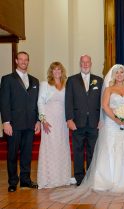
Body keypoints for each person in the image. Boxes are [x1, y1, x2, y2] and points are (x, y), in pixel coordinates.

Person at [50, 64, 124, 202]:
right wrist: (116, 119)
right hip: (112, 124)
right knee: (111, 150)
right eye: (117, 73)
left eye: (122, 72)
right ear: (113, 75)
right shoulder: (108, 89)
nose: (119, 75)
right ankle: (109, 179)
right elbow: (105, 106)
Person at [0, 51, 40, 192]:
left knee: (26, 153)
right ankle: (12, 181)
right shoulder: (7, 79)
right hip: (14, 125)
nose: (24, 62)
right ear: (16, 61)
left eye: (26, 59)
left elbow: (37, 103)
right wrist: (6, 122)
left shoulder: (35, 81)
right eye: (21, 59)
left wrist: (38, 121)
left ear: (28, 61)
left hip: (30, 124)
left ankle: (25, 180)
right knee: (12, 154)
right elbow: (4, 102)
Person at [65, 55, 103, 186]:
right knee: (78, 151)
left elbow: (102, 102)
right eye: (83, 62)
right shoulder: (71, 80)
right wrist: (69, 119)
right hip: (77, 122)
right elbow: (68, 101)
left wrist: (101, 119)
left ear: (91, 63)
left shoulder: (99, 80)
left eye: (87, 62)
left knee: (93, 151)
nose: (85, 64)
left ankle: (91, 176)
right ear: (80, 63)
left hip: (94, 122)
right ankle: (79, 178)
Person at [37, 62, 71, 189]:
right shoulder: (45, 84)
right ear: (51, 72)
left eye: (59, 69)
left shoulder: (66, 86)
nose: (57, 72)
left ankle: (62, 177)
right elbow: (40, 102)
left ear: (62, 72)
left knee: (61, 147)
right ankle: (49, 178)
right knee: (50, 149)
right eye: (54, 70)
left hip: (62, 122)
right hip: (49, 122)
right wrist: (43, 120)